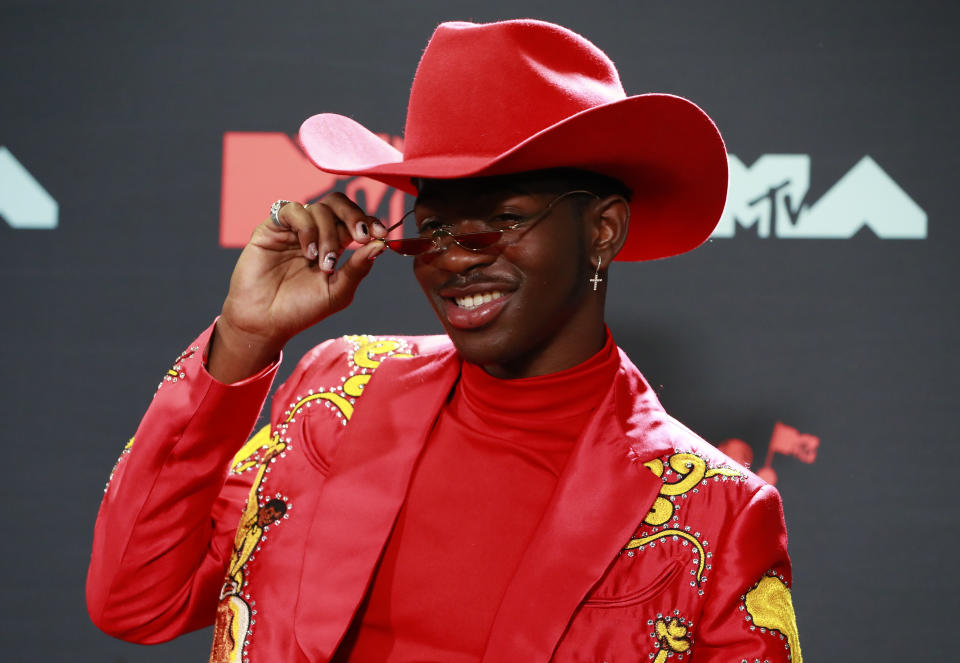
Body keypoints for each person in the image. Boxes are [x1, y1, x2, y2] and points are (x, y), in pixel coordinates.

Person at [87, 18, 802, 663]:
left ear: (603, 231)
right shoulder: (335, 388)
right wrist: (243, 337)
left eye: (497, 220)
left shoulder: (715, 513)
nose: (454, 257)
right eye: (432, 226)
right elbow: (135, 598)